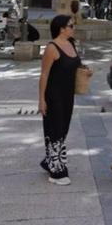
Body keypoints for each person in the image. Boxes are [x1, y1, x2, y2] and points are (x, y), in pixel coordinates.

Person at [38, 15, 91, 185]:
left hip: (68, 94)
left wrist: (85, 71)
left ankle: (50, 161)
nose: (73, 28)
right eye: (71, 25)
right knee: (55, 129)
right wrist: (41, 100)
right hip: (53, 95)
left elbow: (76, 66)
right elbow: (44, 75)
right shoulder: (52, 48)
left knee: (63, 129)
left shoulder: (71, 44)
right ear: (61, 28)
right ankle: (57, 172)